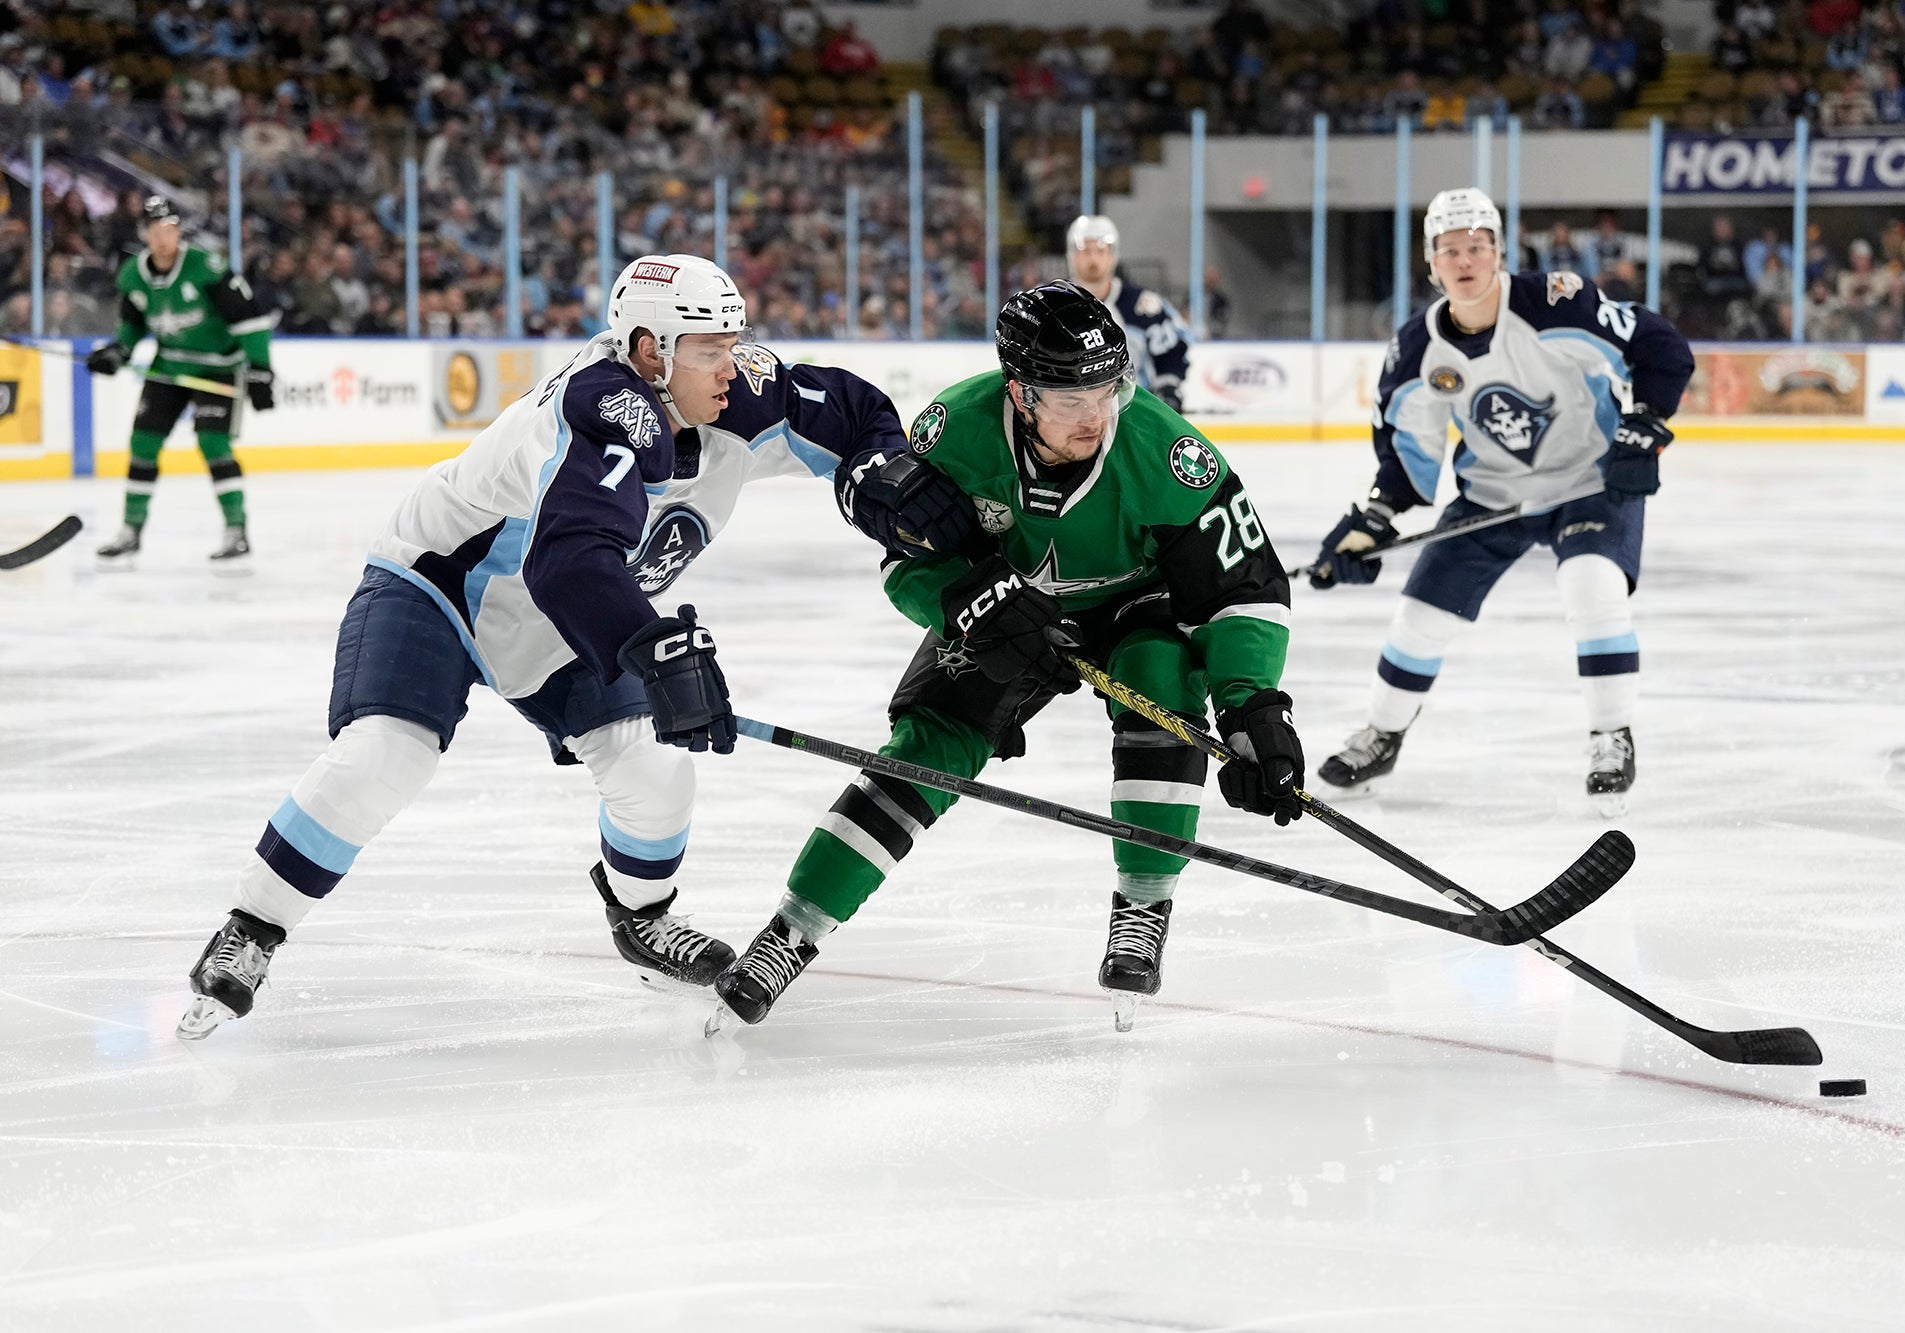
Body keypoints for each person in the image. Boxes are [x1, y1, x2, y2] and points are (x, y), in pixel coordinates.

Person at [175, 254, 976, 1039]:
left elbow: (853, 410)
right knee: (387, 753)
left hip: (560, 621)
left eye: (732, 343)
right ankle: (253, 927)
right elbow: (570, 558)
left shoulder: (740, 390)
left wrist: (885, 475)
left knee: (656, 768)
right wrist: (652, 649)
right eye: (708, 351)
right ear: (647, 353)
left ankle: (642, 919)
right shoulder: (606, 410)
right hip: (441, 587)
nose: (730, 367)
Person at [708, 281, 1301, 1033]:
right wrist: (969, 603)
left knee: (1164, 687)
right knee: (929, 746)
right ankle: (790, 933)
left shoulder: (1167, 454)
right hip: (999, 606)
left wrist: (1253, 706)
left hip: (1134, 606)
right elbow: (905, 564)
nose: (1096, 414)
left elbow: (1242, 586)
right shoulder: (952, 432)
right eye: (1069, 396)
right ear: (1020, 393)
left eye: (1108, 389)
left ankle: (1144, 904)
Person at [1304, 187, 1693, 815]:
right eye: (1450, 250)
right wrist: (1375, 516)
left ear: (1501, 254)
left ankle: (1611, 736)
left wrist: (1644, 422)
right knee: (1420, 618)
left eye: (1478, 247)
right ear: (1431, 264)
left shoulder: (1553, 304)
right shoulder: (1416, 351)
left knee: (1592, 589)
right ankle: (1382, 736)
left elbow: (1657, 346)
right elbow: (1407, 451)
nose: (1465, 261)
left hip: (1590, 481)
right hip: (1491, 495)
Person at [86, 195, 276, 567]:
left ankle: (236, 531)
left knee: (212, 442)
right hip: (169, 368)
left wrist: (259, 369)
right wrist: (117, 352)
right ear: (145, 234)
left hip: (218, 368)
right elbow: (132, 326)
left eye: (170, 229)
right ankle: (130, 531)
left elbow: (249, 320)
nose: (163, 238)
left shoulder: (206, 266)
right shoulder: (131, 275)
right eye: (155, 230)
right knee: (142, 443)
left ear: (178, 232)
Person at [1065, 215, 1193, 412]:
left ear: (1113, 256)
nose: (1093, 259)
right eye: (1085, 251)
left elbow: (1173, 352)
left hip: (1134, 413)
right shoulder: (1050, 305)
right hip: (1069, 414)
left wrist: (1168, 391)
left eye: (1101, 251)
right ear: (1071, 255)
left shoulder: (1144, 307)